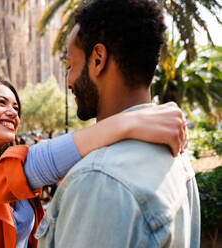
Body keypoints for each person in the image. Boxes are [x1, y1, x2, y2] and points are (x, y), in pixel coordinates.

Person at [0, 80, 187, 248]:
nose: (13, 112)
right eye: (1, 103)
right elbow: (23, 170)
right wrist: (128, 123)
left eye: (16, 106)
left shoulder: (15, 168)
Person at [35, 1, 200, 247]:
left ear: (98, 60)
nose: (68, 82)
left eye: (70, 65)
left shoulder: (97, 181)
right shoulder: (177, 154)